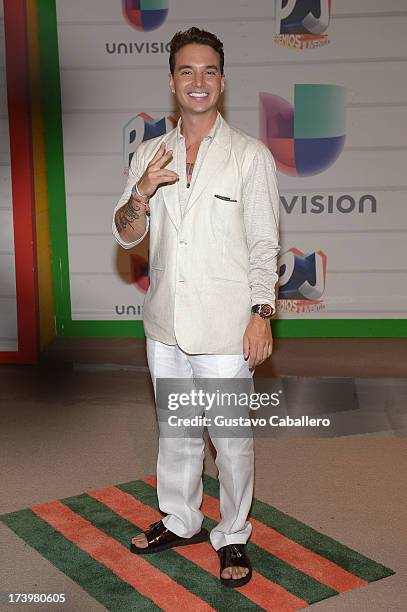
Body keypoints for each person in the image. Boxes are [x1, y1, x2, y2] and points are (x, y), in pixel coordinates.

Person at [112, 27, 279, 588]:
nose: (198, 81)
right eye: (187, 71)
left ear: (223, 81)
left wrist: (262, 312)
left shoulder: (250, 157)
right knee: (177, 431)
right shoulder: (148, 153)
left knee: (230, 438)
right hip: (165, 325)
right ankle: (180, 519)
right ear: (172, 82)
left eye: (209, 70)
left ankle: (232, 534)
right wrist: (142, 191)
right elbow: (126, 235)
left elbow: (264, 242)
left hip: (227, 326)